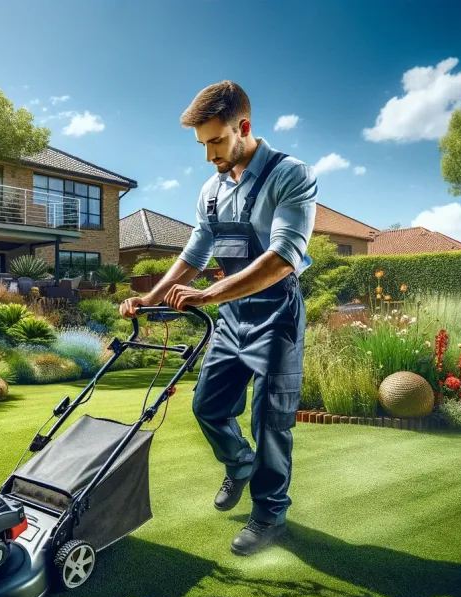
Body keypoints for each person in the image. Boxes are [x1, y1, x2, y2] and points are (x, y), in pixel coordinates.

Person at [119, 81, 318, 555]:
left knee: (271, 420)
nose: (208, 155)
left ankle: (270, 515)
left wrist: (208, 294)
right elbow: (194, 252)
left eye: (215, 141)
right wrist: (152, 297)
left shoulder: (290, 175)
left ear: (243, 127)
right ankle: (239, 463)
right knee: (207, 405)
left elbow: (284, 256)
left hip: (276, 316)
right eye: (202, 144)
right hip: (232, 319)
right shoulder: (211, 189)